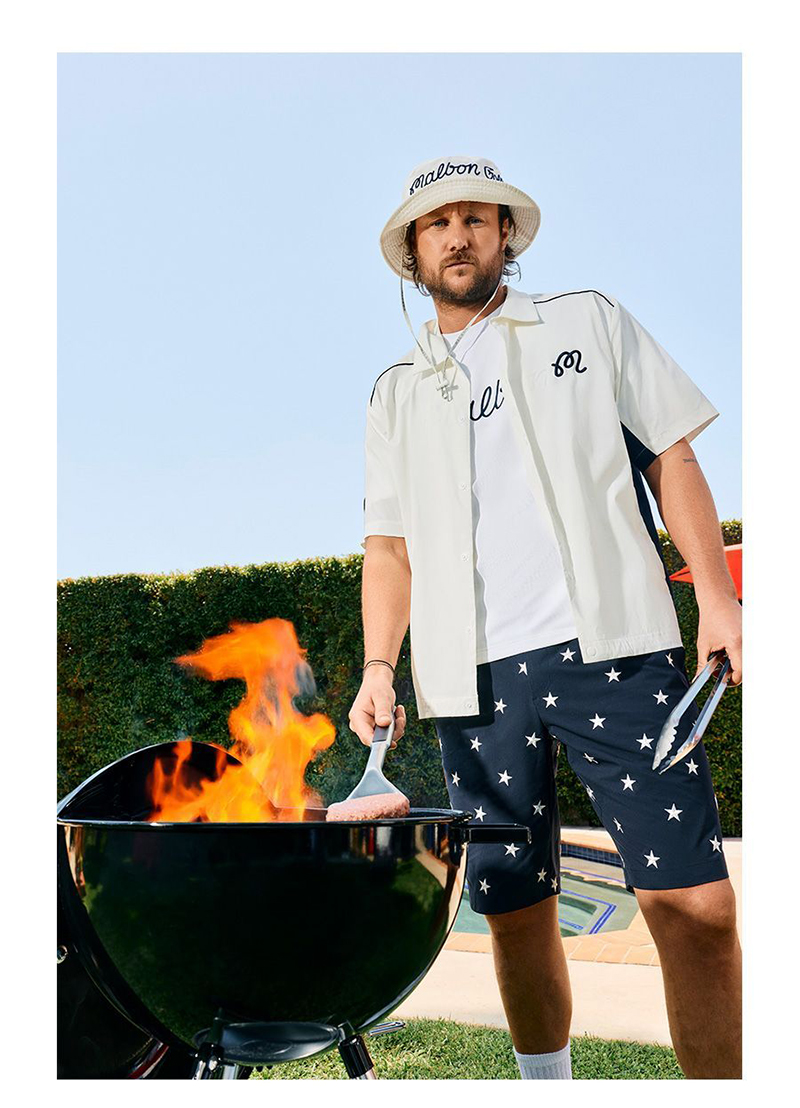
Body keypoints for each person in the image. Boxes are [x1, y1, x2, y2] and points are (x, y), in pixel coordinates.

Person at [349, 155, 742, 1080]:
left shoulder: (588, 322)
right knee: (514, 914)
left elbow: (672, 457)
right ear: (412, 251)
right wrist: (378, 668)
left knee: (696, 908)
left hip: (615, 653)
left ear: (505, 235)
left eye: (475, 219)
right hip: (473, 683)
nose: (458, 236)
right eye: (437, 223)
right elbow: (389, 549)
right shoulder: (395, 390)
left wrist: (718, 599)